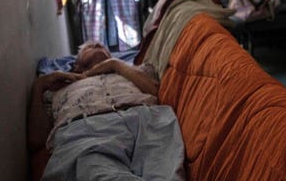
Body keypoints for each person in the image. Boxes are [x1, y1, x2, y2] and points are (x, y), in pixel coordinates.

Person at [27, 41, 185, 180]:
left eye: (102, 46)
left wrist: (115, 64)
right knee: (99, 173)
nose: (98, 45)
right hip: (87, 129)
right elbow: (37, 141)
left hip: (148, 119)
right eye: (90, 47)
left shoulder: (130, 71)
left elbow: (154, 91)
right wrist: (39, 86)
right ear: (76, 64)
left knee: (168, 173)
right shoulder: (58, 87)